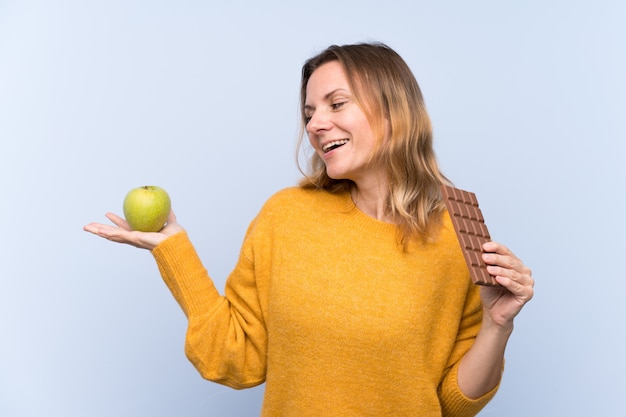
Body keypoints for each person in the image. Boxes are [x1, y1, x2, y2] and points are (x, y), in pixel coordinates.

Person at [84, 42, 534, 417]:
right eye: (310, 111)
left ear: (395, 111)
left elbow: (452, 402)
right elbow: (235, 360)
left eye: (337, 104)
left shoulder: (457, 236)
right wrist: (174, 251)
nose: (316, 124)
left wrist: (497, 326)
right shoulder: (286, 217)